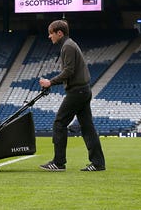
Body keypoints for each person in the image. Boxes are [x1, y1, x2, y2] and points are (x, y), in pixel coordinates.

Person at [38, 20, 106, 172]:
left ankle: (59, 162)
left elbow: (69, 71)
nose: (49, 36)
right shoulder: (70, 45)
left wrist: (50, 82)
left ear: (59, 33)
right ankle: (98, 163)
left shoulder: (67, 46)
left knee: (59, 123)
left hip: (77, 91)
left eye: (51, 33)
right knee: (87, 128)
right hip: (83, 90)